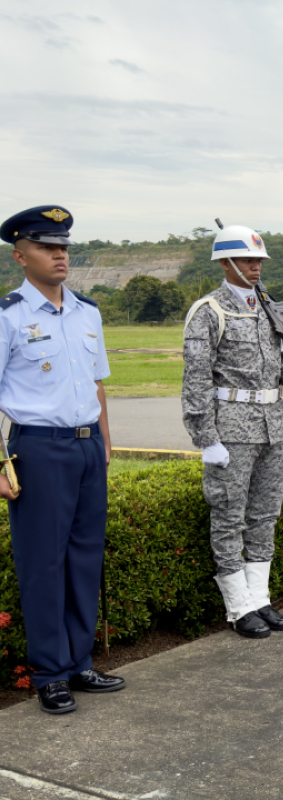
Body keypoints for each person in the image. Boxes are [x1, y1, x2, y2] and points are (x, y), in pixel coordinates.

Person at [183, 224, 283, 639]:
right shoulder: (208, 311)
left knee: (264, 514)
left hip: (273, 425)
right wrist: (206, 438)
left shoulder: (265, 308)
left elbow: (277, 366)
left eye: (259, 261)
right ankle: (237, 606)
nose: (256, 267)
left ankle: (259, 598)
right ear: (225, 262)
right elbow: (195, 380)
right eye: (248, 260)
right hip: (231, 428)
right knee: (230, 515)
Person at [0, 205, 122, 715]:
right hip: (39, 448)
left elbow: (96, 383)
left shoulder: (86, 311)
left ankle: (79, 661)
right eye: (48, 247)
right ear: (20, 255)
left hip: (88, 445)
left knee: (83, 558)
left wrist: (106, 444)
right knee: (43, 563)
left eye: (64, 247)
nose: (59, 255)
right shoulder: (9, 315)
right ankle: (49, 673)